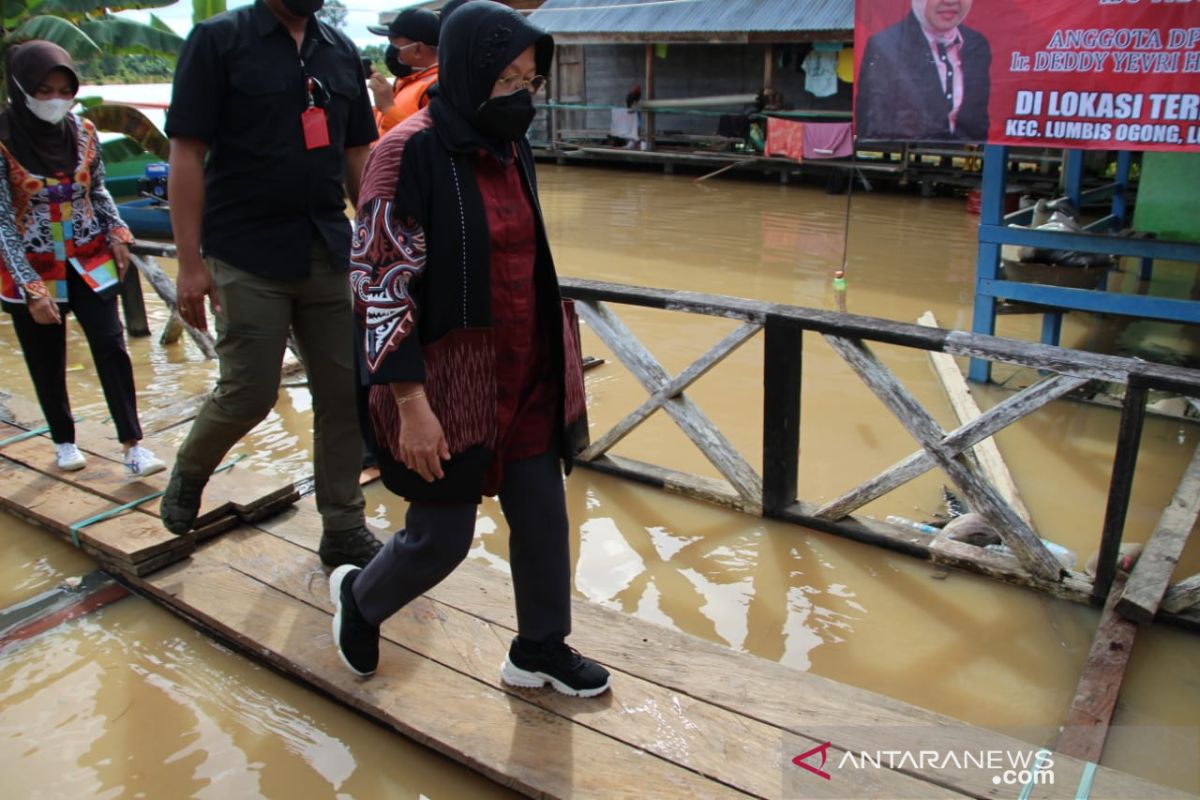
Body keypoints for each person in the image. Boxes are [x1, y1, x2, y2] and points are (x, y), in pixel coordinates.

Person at [328, 0, 611, 698]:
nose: (522, 95)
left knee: (544, 513)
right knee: (442, 537)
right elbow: (380, 285)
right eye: (507, 79)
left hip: (529, 366)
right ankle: (361, 599)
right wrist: (410, 402)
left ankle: (540, 647)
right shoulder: (407, 153)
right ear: (468, 69)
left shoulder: (508, 142)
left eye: (530, 81)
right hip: (447, 381)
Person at [162, 0, 382, 568]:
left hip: (328, 248)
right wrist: (190, 263)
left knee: (343, 396)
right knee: (250, 392)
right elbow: (186, 150)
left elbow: (359, 153)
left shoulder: (339, 50)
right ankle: (190, 469)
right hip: (245, 250)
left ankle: (343, 524)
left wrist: (379, 243)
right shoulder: (219, 41)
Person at [0, 41, 166, 478]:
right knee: (46, 356)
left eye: (63, 89)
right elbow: (1, 222)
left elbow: (98, 190)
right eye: (44, 89)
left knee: (112, 345)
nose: (55, 99)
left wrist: (118, 231)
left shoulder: (84, 132)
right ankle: (64, 440)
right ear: (20, 87)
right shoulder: (3, 140)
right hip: (32, 266)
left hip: (88, 258)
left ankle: (133, 444)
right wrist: (30, 290)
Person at [855, 0, 991, 142]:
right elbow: (873, 119)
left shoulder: (977, 44)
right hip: (910, 152)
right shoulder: (885, 46)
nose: (951, 2)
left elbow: (978, 119)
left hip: (962, 156)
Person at [366, 7, 440, 138]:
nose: (390, 51)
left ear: (417, 49)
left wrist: (388, 108)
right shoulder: (406, 80)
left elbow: (429, 141)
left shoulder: (436, 86)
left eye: (395, 45)